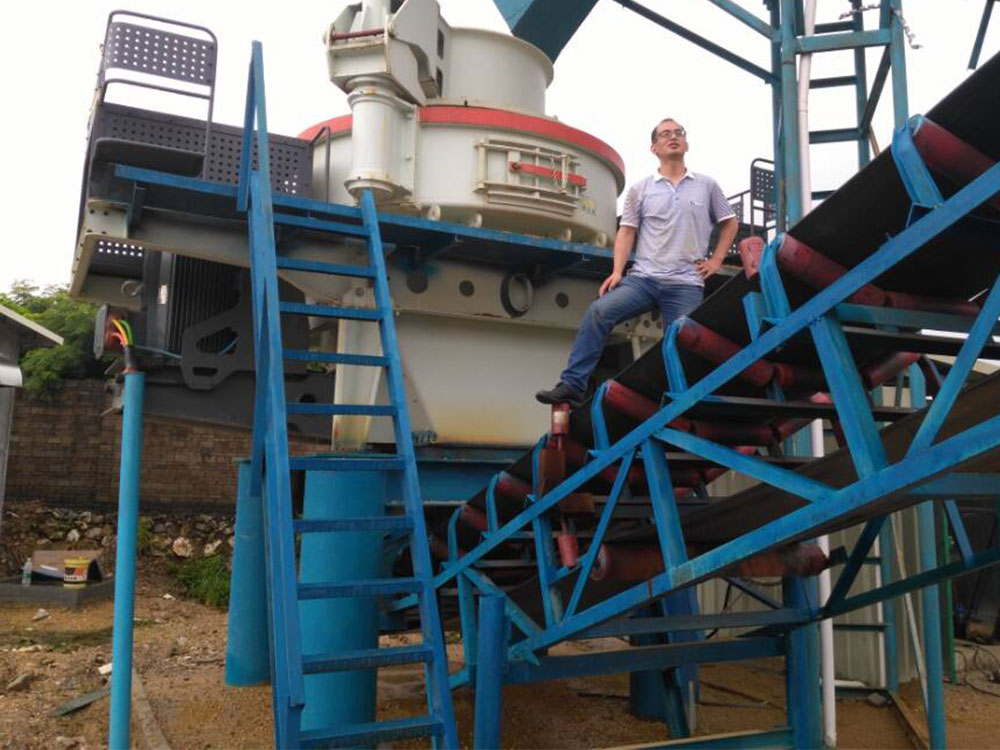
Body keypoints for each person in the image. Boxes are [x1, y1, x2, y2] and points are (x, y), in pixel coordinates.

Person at [536, 117, 739, 407]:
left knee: (683, 341)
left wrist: (717, 259)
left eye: (678, 133)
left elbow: (729, 222)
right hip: (644, 280)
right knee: (598, 311)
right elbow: (627, 231)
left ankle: (681, 402)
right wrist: (617, 272)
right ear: (654, 148)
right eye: (665, 134)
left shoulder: (707, 186)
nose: (673, 137)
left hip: (685, 282)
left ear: (686, 143)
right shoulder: (640, 189)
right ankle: (573, 385)